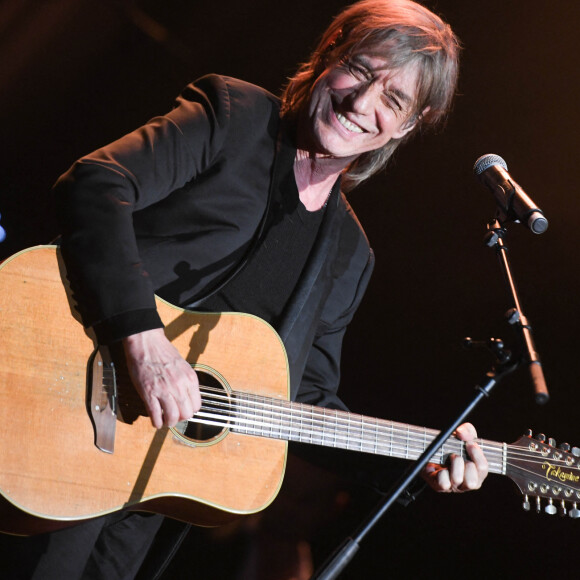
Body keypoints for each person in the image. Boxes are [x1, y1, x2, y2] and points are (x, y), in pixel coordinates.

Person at [4, 1, 488, 578]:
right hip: (59, 412)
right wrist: (143, 339)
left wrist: (420, 465)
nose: (362, 104)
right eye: (360, 70)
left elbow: (303, 408)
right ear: (329, 51)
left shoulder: (349, 256)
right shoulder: (234, 118)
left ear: (408, 124)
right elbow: (95, 184)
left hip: (146, 487)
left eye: (393, 99)